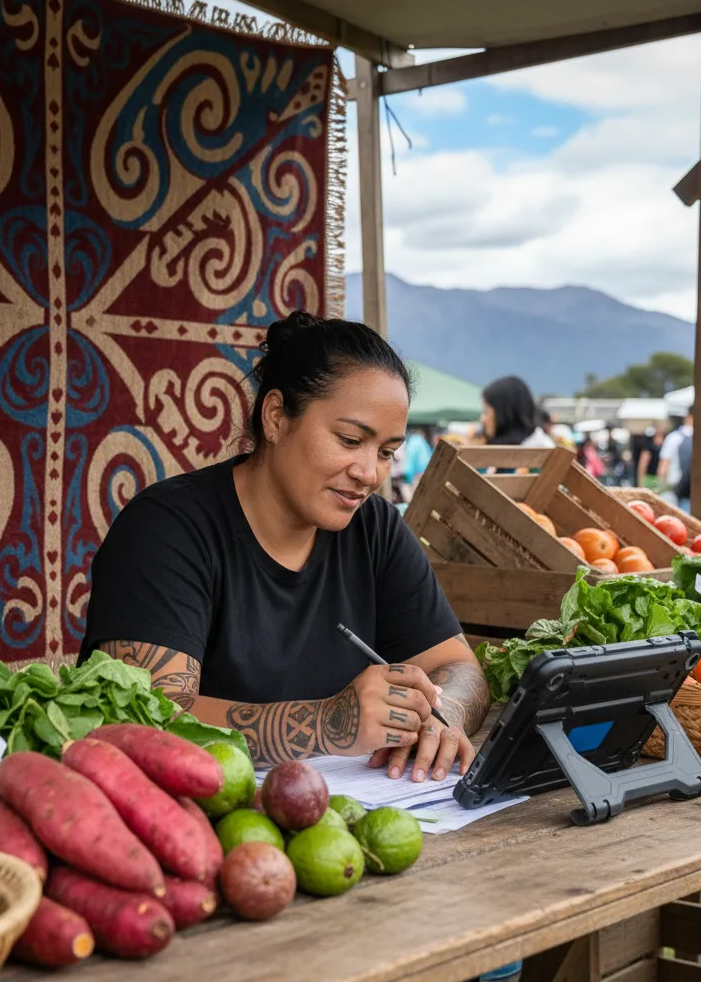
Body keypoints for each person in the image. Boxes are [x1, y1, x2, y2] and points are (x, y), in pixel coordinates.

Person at [79, 311, 490, 785]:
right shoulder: (166, 529)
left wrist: (445, 716)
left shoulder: (374, 528)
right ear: (276, 417)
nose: (369, 473)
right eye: (350, 439)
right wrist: (326, 723)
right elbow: (145, 717)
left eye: (385, 452)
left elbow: (458, 665)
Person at [481, 376, 555, 447]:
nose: (483, 419)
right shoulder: (496, 448)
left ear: (505, 415)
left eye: (486, 412)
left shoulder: (542, 451)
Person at [658, 407, 693, 509]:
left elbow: (663, 468)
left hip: (674, 492)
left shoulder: (673, 438)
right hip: (696, 493)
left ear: (687, 417)